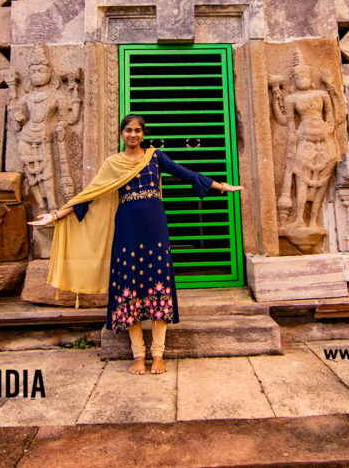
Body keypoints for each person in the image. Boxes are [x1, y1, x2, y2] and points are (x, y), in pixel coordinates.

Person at [29, 114, 242, 375]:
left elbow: (187, 174)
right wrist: (55, 216)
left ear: (144, 134)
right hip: (127, 232)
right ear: (121, 134)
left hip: (155, 231)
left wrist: (221, 186)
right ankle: (138, 354)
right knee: (129, 289)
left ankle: (158, 354)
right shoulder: (113, 164)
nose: (133, 134)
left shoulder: (155, 157)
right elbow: (90, 195)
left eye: (138, 130)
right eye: (129, 130)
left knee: (158, 287)